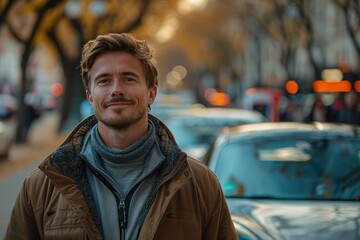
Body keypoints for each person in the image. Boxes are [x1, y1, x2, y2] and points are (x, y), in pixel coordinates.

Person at [5, 33, 237, 240]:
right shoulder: (42, 186)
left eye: (128, 78)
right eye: (104, 80)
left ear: (151, 93)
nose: (116, 89)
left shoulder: (199, 184)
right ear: (90, 96)